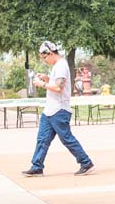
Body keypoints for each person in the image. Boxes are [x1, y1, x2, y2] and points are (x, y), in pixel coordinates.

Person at [21, 41, 94, 177]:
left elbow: (59, 87)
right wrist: (47, 78)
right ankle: (37, 166)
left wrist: (42, 84)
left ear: (50, 53)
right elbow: (57, 83)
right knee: (42, 139)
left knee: (66, 138)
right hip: (50, 109)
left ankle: (86, 162)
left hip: (59, 110)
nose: (44, 60)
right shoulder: (57, 66)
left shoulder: (61, 66)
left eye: (44, 57)